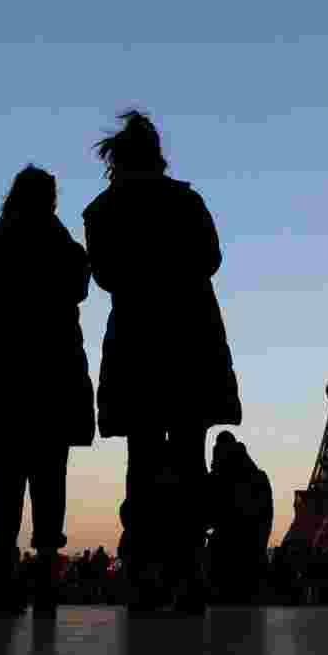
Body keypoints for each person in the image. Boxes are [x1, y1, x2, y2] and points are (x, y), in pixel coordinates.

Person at [82, 110, 241, 614]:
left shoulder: (102, 211)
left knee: (143, 456)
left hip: (137, 337)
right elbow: (211, 259)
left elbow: (105, 276)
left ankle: (146, 569)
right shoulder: (187, 202)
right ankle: (189, 567)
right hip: (192, 334)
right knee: (191, 456)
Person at [0, 165, 95, 616]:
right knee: (50, 476)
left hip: (7, 366)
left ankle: (3, 576)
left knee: (4, 480)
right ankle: (45, 573)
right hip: (55, 368)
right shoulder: (67, 247)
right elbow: (80, 290)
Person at [207, 431, 273, 603]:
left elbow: (209, 515)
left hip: (226, 557)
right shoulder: (258, 478)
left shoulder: (220, 478)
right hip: (251, 557)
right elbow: (265, 518)